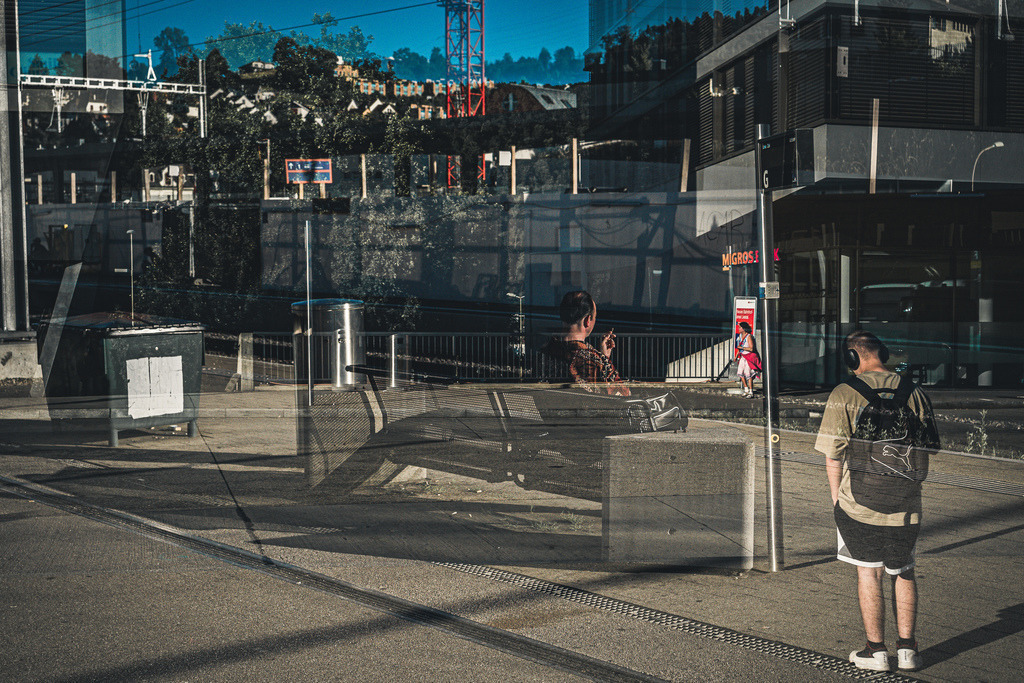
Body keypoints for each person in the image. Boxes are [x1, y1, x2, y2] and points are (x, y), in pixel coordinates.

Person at [814, 330, 940, 673]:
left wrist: (836, 501)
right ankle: (908, 651)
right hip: (906, 504)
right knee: (904, 572)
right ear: (881, 353)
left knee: (868, 573)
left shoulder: (845, 393)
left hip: (860, 503)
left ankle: (876, 652)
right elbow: (928, 449)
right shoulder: (915, 393)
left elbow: (832, 456)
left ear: (852, 359)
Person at [541, 290, 629, 396]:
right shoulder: (596, 361)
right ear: (588, 320)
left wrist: (603, 356)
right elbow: (623, 394)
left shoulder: (544, 352)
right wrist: (604, 360)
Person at [735, 322, 760, 398]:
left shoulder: (749, 336)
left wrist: (742, 348)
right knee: (740, 372)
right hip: (743, 356)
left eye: (740, 327)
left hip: (748, 357)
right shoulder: (740, 336)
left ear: (744, 328)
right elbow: (739, 347)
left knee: (747, 373)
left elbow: (751, 348)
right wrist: (736, 356)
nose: (739, 329)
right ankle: (746, 389)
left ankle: (750, 391)